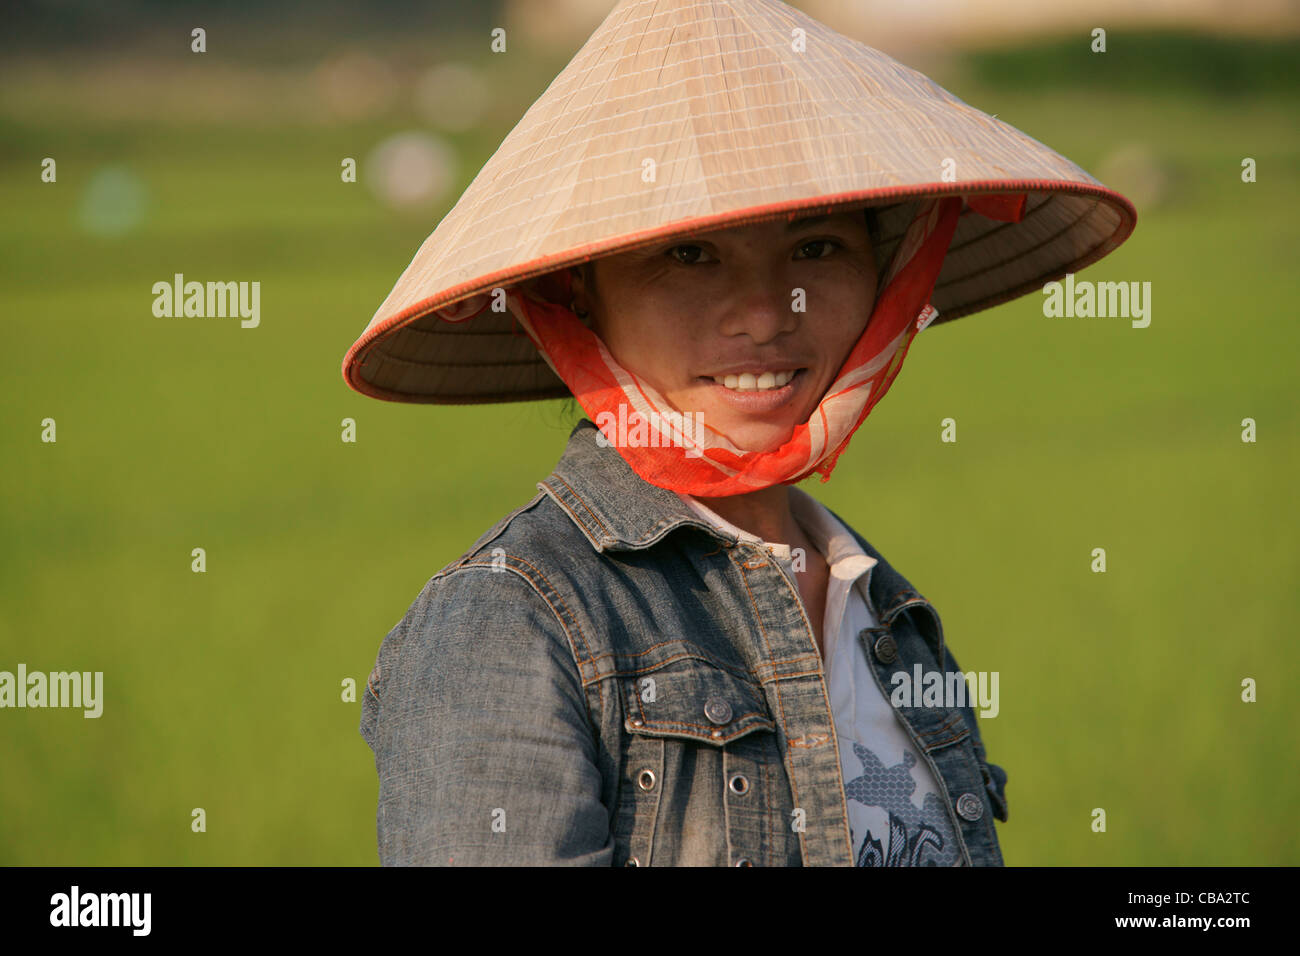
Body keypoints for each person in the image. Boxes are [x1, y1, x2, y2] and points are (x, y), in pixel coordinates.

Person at [343, 0, 1135, 866]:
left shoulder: (887, 610)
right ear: (575, 296)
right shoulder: (509, 624)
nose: (766, 314)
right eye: (689, 254)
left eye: (817, 248)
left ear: (889, 272)